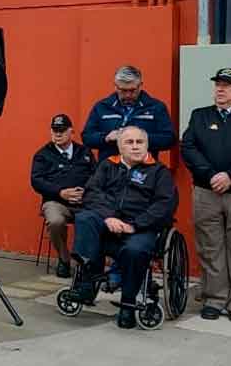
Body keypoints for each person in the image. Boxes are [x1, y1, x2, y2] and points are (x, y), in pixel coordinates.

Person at [65, 126, 177, 329]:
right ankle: (88, 281)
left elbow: (164, 205)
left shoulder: (159, 172)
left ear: (147, 145)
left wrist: (134, 225)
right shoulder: (108, 165)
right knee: (85, 218)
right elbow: (92, 192)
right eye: (129, 142)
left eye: (139, 142)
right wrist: (108, 217)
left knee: (135, 250)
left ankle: (128, 303)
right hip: (109, 224)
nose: (135, 146)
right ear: (119, 147)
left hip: (140, 229)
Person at [180, 67, 231, 320]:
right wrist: (210, 174)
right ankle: (215, 299)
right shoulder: (200, 116)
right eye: (218, 84)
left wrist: (229, 175)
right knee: (210, 247)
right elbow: (188, 147)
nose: (220, 89)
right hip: (206, 191)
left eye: (226, 85)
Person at [29, 113, 96, 278]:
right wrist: (61, 192)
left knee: (96, 219)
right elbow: (36, 181)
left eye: (62, 130)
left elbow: (96, 176)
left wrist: (85, 192)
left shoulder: (85, 152)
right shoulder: (43, 154)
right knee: (55, 221)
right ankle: (64, 259)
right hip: (56, 201)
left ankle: (87, 264)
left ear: (71, 132)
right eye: (54, 130)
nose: (58, 134)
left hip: (84, 201)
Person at [82, 65, 175, 162]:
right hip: (109, 171)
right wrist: (106, 137)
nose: (128, 95)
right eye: (123, 90)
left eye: (132, 90)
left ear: (140, 85)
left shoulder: (156, 107)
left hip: (145, 170)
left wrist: (140, 138)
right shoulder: (102, 107)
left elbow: (169, 139)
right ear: (115, 86)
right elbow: (87, 137)